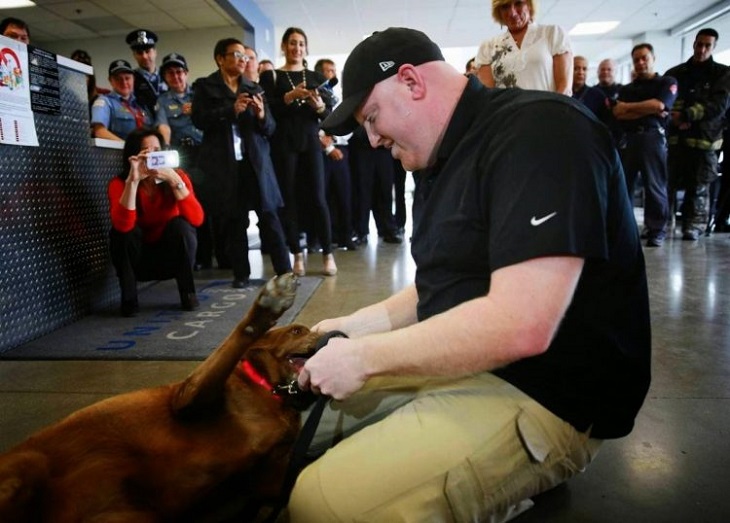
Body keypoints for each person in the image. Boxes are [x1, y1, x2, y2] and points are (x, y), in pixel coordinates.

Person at [287, 27, 651, 522]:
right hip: (475, 362)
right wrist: (347, 329)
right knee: (289, 424)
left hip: (551, 394)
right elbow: (442, 286)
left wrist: (366, 358)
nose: (371, 140)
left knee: (322, 503)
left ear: (412, 82)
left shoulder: (542, 132)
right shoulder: (441, 161)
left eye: (371, 118)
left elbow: (521, 322)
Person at [192, 38, 292, 288]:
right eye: (235, 55)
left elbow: (270, 128)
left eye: (244, 56)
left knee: (269, 216)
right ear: (220, 59)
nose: (242, 60)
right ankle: (241, 275)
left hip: (255, 163)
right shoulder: (205, 87)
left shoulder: (255, 88)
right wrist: (230, 110)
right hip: (226, 165)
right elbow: (199, 120)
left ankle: (285, 272)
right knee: (235, 220)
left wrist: (260, 115)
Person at [259, 27, 337, 277]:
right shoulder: (272, 76)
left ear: (306, 48)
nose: (297, 48)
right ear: (284, 46)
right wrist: (289, 97)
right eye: (292, 43)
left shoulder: (315, 76)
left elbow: (328, 115)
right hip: (284, 145)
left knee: (318, 197)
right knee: (289, 199)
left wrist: (319, 106)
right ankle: (297, 254)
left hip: (311, 142)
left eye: (301, 44)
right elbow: (269, 112)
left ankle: (327, 252)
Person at [107, 127, 203, 317]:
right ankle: (129, 300)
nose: (153, 156)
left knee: (181, 227)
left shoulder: (178, 177)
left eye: (157, 150)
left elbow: (196, 219)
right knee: (121, 234)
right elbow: (123, 227)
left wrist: (174, 181)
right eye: (147, 151)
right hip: (138, 258)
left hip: (169, 255)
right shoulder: (119, 183)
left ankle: (188, 294)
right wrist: (133, 182)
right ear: (135, 155)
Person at [665, 28, 729, 241]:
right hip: (676, 139)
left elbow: (718, 106)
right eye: (699, 44)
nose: (702, 49)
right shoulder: (676, 72)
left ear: (713, 47)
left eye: (707, 45)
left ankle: (695, 227)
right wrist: (676, 118)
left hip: (705, 140)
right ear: (693, 43)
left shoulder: (723, 74)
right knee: (668, 184)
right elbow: (667, 100)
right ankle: (663, 224)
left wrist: (687, 115)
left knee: (699, 186)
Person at [614, 43, 678, 247]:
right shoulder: (627, 89)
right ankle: (627, 228)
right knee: (625, 186)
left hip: (653, 139)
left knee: (655, 185)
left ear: (653, 58)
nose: (640, 63)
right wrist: (648, 108)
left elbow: (660, 105)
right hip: (630, 139)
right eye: (636, 60)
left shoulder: (667, 82)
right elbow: (618, 113)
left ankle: (656, 230)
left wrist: (630, 108)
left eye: (644, 58)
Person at [475, 0, 572, 94]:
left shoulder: (552, 34)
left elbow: (564, 87)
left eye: (518, 3)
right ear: (498, 12)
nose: (512, 13)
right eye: (505, 7)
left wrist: (553, 110)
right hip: (508, 110)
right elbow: (489, 97)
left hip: (549, 108)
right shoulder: (488, 47)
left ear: (529, 5)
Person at [315, 58, 357, 251]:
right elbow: (313, 128)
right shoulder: (312, 97)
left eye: (333, 71)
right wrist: (327, 147)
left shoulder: (339, 100)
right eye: (326, 71)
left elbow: (347, 129)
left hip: (342, 151)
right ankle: (323, 239)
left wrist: (334, 143)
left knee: (344, 195)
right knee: (322, 197)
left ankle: (346, 237)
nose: (330, 75)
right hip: (319, 153)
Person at [154, 52, 203, 170]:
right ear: (165, 77)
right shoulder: (162, 100)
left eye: (179, 72)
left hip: (203, 149)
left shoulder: (201, 93)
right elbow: (163, 127)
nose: (175, 76)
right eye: (170, 73)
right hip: (179, 153)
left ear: (186, 73)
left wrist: (197, 110)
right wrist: (165, 149)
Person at [91, 59, 153, 141]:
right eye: (118, 79)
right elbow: (99, 132)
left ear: (133, 79)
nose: (124, 82)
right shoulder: (105, 102)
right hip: (120, 153)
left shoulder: (142, 103)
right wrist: (127, 148)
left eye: (127, 78)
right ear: (110, 81)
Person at [126, 29, 167, 116]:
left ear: (155, 52)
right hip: (145, 126)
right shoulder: (130, 79)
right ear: (134, 55)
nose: (144, 56)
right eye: (139, 53)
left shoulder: (168, 75)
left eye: (148, 51)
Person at [70, 49, 110, 117]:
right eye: (77, 73)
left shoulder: (104, 95)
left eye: (85, 74)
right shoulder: (67, 97)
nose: (81, 79)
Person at [572, 55, 609, 120]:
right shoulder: (562, 93)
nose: (581, 72)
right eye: (576, 69)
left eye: (584, 69)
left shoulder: (597, 95)